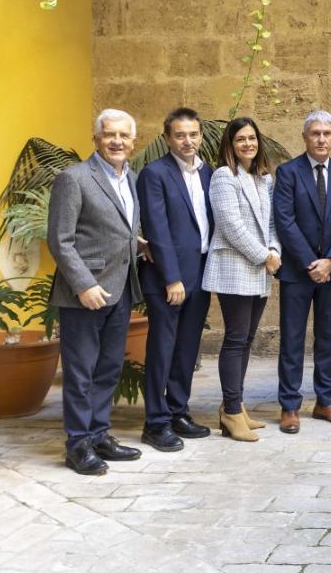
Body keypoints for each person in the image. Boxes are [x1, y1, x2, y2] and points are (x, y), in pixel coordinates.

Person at [47, 109, 145, 475]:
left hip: (120, 290)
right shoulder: (73, 178)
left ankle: (99, 434)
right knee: (80, 371)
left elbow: (116, 230)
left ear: (133, 142)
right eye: (109, 135)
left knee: (107, 369)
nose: (117, 141)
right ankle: (77, 445)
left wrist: (140, 245)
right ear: (96, 139)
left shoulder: (130, 178)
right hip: (84, 294)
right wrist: (84, 284)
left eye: (123, 135)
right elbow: (61, 240)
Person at [273, 110, 331, 434]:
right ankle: (290, 406)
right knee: (292, 340)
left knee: (327, 339)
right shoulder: (288, 172)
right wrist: (313, 263)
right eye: (315, 133)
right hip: (298, 272)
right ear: (305, 137)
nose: (321, 139)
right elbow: (285, 221)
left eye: (327, 133)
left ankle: (325, 401)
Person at [137, 107, 214, 452]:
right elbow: (156, 228)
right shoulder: (154, 174)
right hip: (168, 278)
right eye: (180, 135)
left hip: (201, 272)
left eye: (193, 134)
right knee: (162, 349)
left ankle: (178, 411)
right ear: (168, 138)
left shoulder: (209, 173)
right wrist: (171, 278)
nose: (188, 141)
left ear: (200, 136)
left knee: (186, 349)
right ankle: (155, 422)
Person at [202, 116, 282, 442]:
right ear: (230, 145)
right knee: (235, 339)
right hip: (236, 267)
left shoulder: (264, 180)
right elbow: (231, 226)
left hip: (261, 268)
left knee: (247, 339)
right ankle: (231, 413)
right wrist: (264, 256)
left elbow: (273, 225)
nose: (247, 144)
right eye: (240, 140)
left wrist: (274, 250)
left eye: (252, 138)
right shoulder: (224, 177)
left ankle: (234, 404)